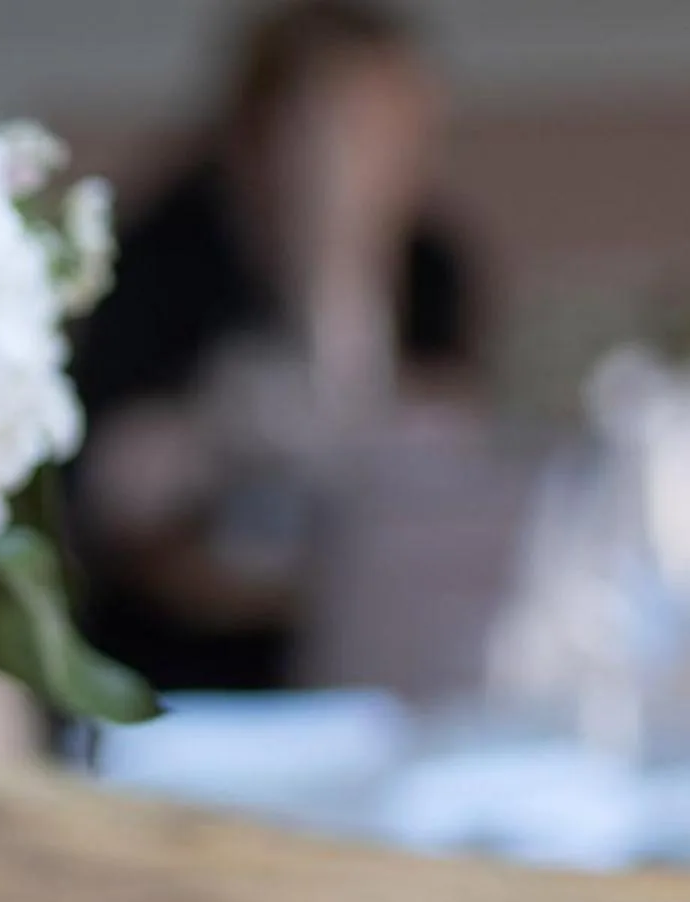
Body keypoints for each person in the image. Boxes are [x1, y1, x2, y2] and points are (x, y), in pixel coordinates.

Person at [66, 0, 481, 694]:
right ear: (257, 134)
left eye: (402, 133)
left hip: (370, 653)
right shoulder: (158, 256)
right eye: (347, 132)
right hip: (186, 666)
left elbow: (436, 462)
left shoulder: (433, 264)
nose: (375, 164)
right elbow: (111, 494)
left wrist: (340, 269)